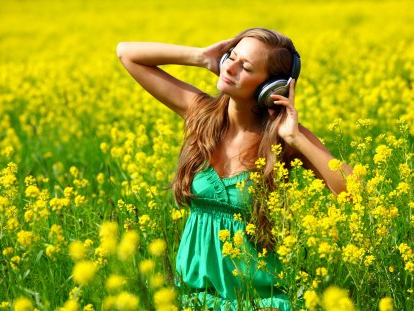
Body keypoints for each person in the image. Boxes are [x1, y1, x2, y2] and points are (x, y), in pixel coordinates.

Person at [116, 27, 351, 311]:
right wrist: (202, 57)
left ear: (271, 87)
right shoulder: (201, 115)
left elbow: (355, 192)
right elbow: (126, 53)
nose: (231, 67)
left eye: (246, 67)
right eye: (231, 57)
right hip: (194, 298)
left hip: (259, 301)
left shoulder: (283, 139)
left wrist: (297, 139)